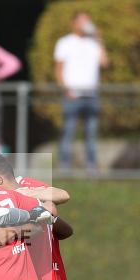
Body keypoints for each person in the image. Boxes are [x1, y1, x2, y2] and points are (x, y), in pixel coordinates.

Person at [54, 11, 109, 171]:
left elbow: (105, 63)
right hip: (72, 95)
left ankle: (91, 166)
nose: (86, 25)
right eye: (82, 21)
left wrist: (99, 40)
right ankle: (64, 166)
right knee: (68, 131)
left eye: (88, 21)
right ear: (74, 23)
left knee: (91, 133)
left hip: (91, 95)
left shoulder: (93, 43)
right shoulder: (65, 42)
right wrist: (65, 89)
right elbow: (58, 69)